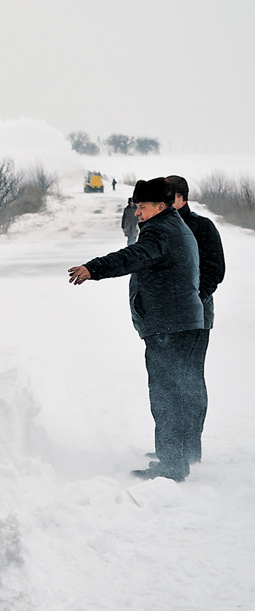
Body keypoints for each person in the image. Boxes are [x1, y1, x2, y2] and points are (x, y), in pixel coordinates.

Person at [68, 177, 204, 482]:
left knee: (166, 393)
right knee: (179, 390)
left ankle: (171, 465)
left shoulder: (161, 232)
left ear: (160, 206)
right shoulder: (174, 226)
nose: (138, 212)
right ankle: (179, 455)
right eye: (136, 206)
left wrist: (95, 268)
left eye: (142, 207)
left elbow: (132, 257)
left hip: (168, 324)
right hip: (180, 321)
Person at [165, 175, 225, 464]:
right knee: (167, 382)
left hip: (195, 318)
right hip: (164, 320)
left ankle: (188, 449)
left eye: (167, 197)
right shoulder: (156, 227)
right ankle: (170, 447)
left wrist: (191, 299)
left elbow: (215, 271)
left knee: (189, 380)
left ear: (181, 197)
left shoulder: (202, 227)